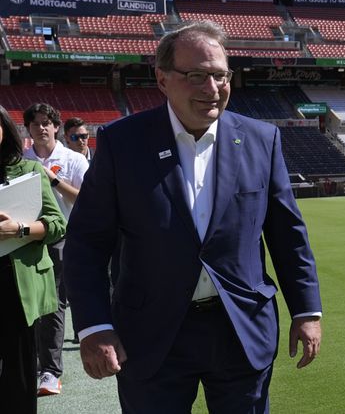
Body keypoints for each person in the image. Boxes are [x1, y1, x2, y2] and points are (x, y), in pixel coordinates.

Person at [64, 21, 322, 414]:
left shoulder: (261, 139)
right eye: (197, 75)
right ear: (163, 80)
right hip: (149, 334)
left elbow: (288, 235)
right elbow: (86, 243)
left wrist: (306, 310)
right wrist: (95, 327)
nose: (212, 88)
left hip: (241, 328)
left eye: (220, 75)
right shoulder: (122, 142)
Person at [0, 104, 67, 414]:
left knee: (20, 370)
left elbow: (56, 224)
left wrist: (20, 229)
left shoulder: (29, 170)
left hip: (17, 287)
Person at [23, 102, 90, 396]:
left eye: (46, 122)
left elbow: (85, 201)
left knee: (52, 304)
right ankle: (27, 364)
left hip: (62, 238)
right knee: (25, 305)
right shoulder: (19, 159)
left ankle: (50, 371)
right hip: (23, 239)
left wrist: (53, 179)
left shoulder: (73, 160)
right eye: (35, 123)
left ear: (56, 127)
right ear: (27, 129)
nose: (41, 128)